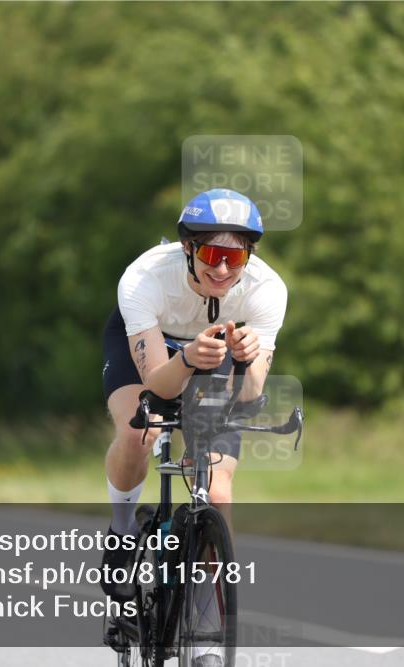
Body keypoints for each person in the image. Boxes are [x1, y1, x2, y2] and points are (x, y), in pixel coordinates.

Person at [100, 189, 287, 662]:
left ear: (248, 255)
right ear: (188, 248)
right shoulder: (145, 279)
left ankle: (206, 619)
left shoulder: (267, 290)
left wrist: (247, 362)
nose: (222, 269)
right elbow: (158, 385)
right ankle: (122, 529)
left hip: (219, 352)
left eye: (234, 256)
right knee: (139, 432)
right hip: (155, 348)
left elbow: (249, 396)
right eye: (210, 254)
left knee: (218, 490)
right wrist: (186, 357)